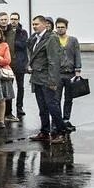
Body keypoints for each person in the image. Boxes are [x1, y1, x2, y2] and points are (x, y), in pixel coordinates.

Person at [27, 15, 63, 143]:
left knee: (52, 106)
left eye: (36, 24)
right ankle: (44, 131)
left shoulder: (51, 38)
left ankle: (60, 132)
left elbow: (54, 61)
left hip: (47, 79)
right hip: (37, 78)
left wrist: (53, 81)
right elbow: (34, 54)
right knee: (42, 107)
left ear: (44, 24)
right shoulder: (35, 38)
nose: (34, 26)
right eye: (33, 24)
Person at [55, 17, 82, 133]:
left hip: (70, 73)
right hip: (57, 74)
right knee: (56, 98)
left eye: (62, 27)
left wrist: (78, 70)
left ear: (66, 28)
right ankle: (57, 120)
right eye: (58, 27)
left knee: (68, 98)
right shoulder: (53, 40)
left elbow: (77, 54)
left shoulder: (73, 40)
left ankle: (66, 119)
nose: (60, 29)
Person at [5, 12, 29, 120]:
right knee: (8, 87)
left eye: (15, 19)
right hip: (8, 64)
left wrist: (13, 41)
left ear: (18, 20)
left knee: (20, 87)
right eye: (12, 19)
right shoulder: (6, 31)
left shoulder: (23, 32)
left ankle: (19, 107)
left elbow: (23, 45)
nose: (13, 21)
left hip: (19, 63)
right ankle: (8, 109)